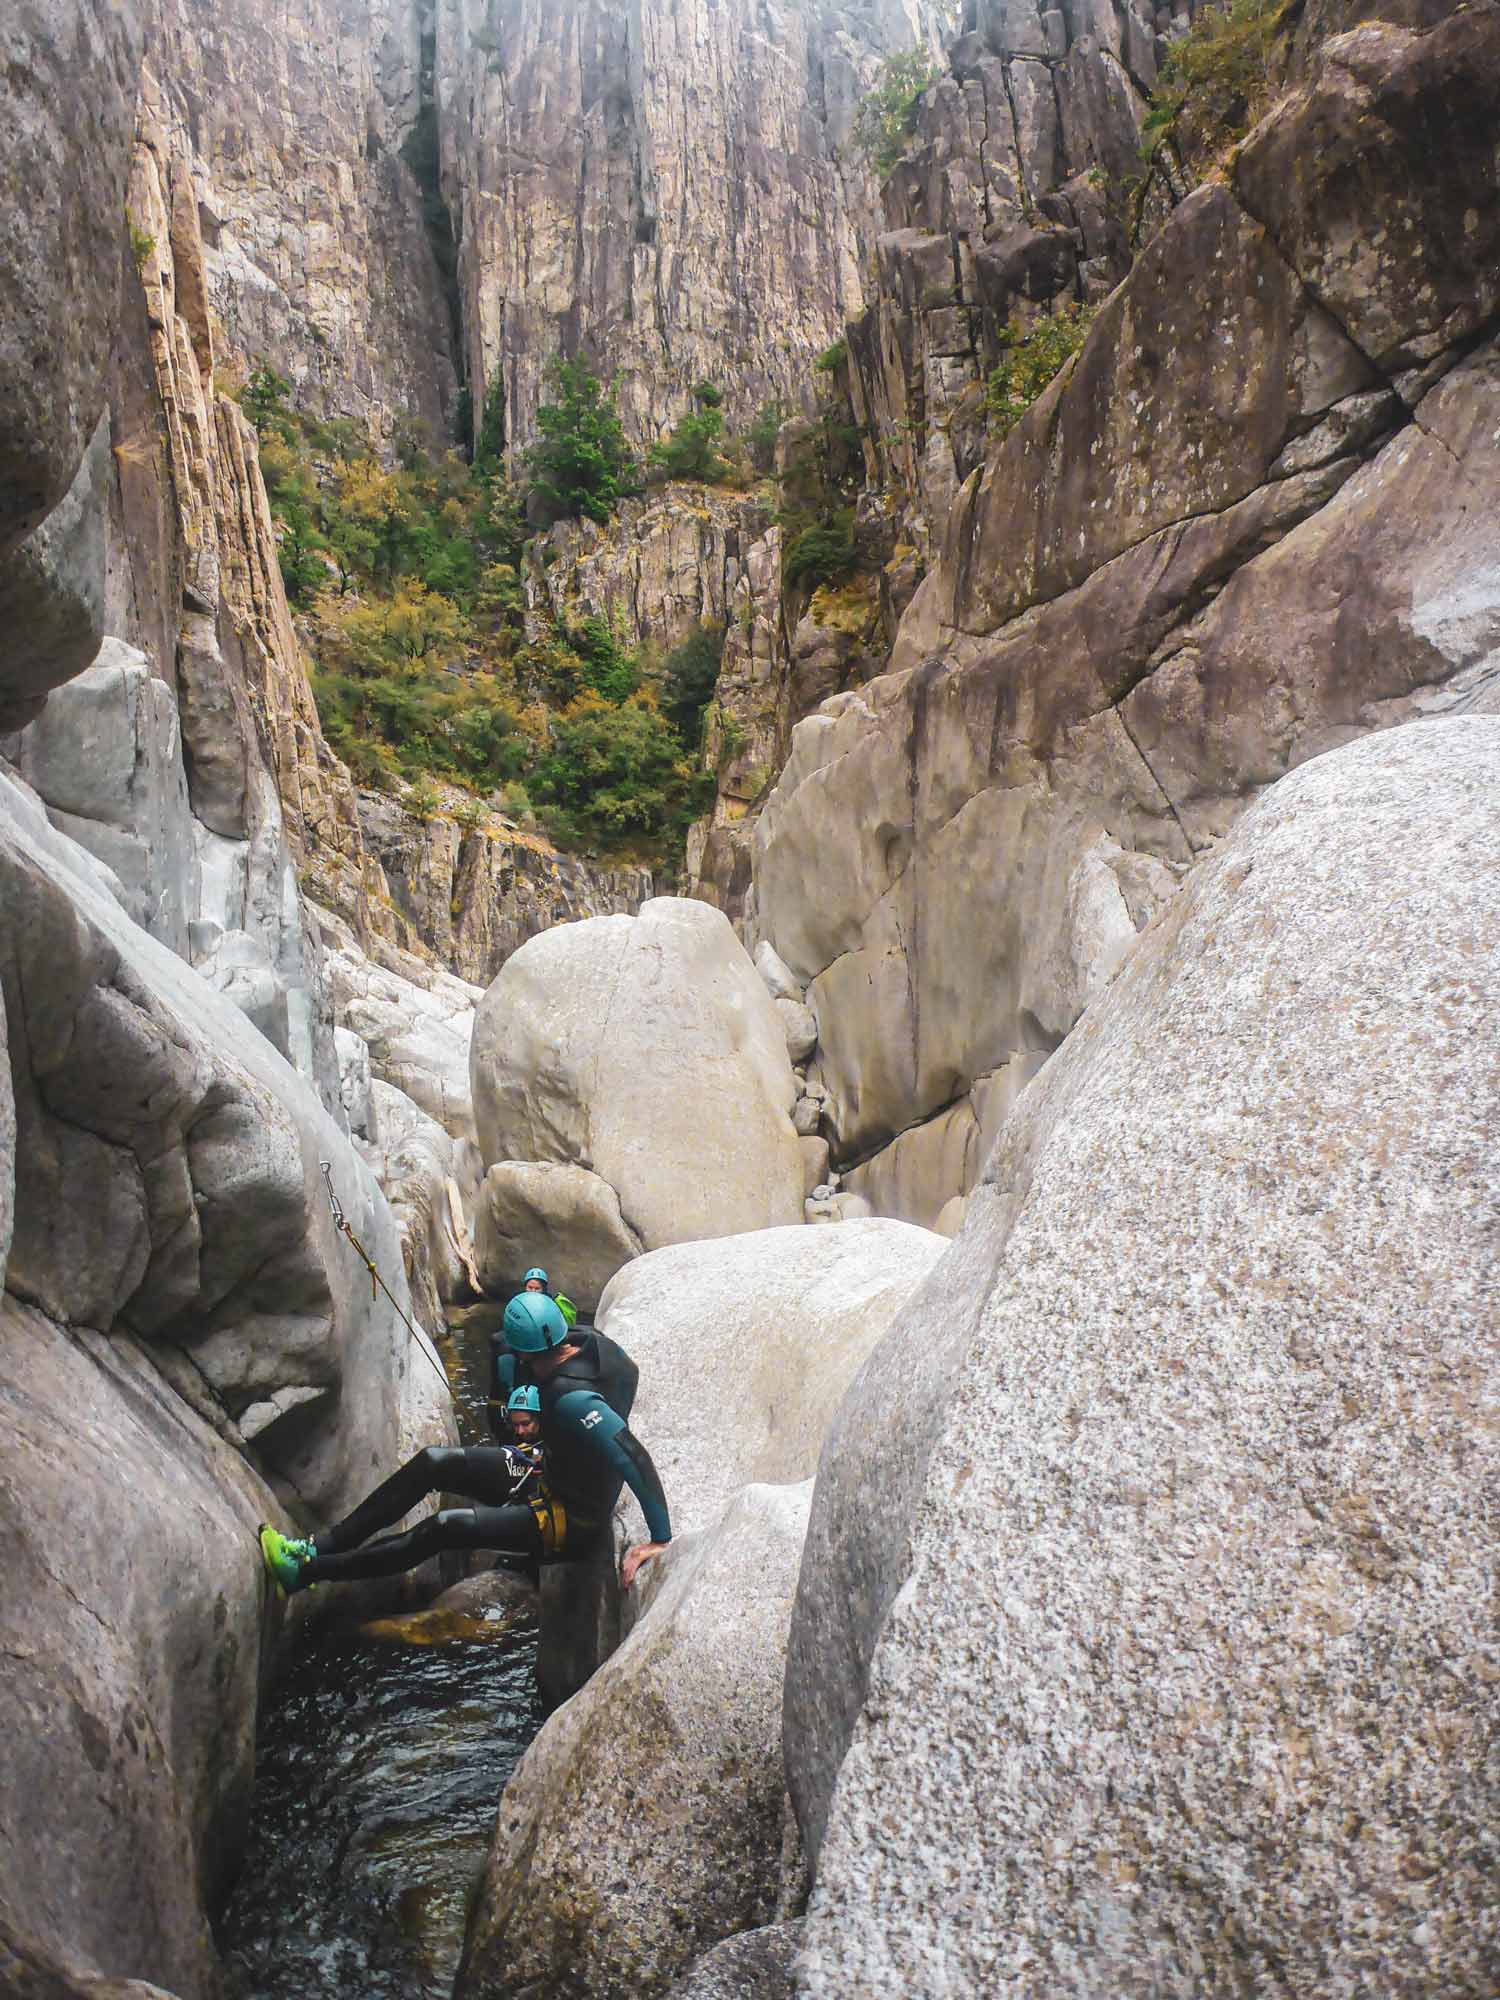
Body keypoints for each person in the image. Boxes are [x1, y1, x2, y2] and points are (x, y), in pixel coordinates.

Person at [258, 1293, 670, 1596]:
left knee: (445, 1527)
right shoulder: (588, 1341)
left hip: (568, 1517)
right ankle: (319, 1544)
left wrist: (659, 1538)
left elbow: (630, 1453)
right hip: (545, 1468)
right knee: (435, 1462)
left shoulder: (573, 1398)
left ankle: (306, 1572)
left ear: (525, 1353)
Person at [522, 1264, 578, 1330]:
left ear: (543, 1289)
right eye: (530, 1287)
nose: (533, 1291)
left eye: (537, 1288)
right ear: (525, 1287)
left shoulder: (551, 1304)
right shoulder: (519, 1301)